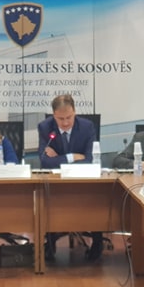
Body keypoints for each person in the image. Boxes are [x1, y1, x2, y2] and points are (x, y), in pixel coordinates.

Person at [37, 94, 102, 261]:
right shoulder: (45, 127)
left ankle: (97, 242)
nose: (65, 123)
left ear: (75, 112)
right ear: (54, 115)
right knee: (48, 197)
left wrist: (58, 159)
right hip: (56, 183)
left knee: (97, 197)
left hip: (83, 182)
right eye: (61, 119)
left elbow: (90, 159)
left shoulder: (87, 127)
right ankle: (50, 242)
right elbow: (45, 162)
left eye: (69, 117)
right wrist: (72, 157)